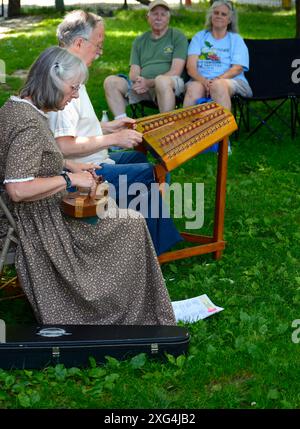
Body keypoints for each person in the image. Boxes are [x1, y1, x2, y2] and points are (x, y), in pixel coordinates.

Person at [0, 46, 176, 326]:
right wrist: (69, 180)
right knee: (130, 222)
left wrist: (70, 166)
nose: (76, 95)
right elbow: (18, 189)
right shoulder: (28, 126)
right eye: (73, 88)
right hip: (35, 221)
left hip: (35, 210)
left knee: (115, 210)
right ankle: (118, 311)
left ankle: (134, 298)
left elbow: (27, 162)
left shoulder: (17, 108)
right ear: (51, 82)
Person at [48, 10, 182, 256]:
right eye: (98, 46)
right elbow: (63, 145)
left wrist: (108, 128)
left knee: (141, 161)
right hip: (80, 172)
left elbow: (73, 129)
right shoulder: (63, 78)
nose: (100, 52)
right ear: (79, 43)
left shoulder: (69, 70)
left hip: (93, 160)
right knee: (154, 174)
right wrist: (113, 139)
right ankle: (153, 251)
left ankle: (133, 239)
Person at [103, 0, 188, 117]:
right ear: (148, 17)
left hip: (170, 85)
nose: (158, 17)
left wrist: (149, 82)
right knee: (111, 81)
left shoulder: (177, 36)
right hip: (143, 86)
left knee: (161, 81)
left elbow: (176, 71)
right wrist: (139, 82)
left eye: (163, 14)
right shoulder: (139, 41)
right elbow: (134, 71)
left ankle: (168, 127)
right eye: (154, 14)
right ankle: (122, 123)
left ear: (168, 19)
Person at [183, 0, 252, 111]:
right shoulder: (199, 37)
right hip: (200, 80)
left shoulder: (236, 39)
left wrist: (216, 80)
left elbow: (237, 68)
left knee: (218, 86)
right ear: (211, 16)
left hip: (232, 81)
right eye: (216, 13)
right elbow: (190, 68)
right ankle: (188, 127)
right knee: (194, 88)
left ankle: (223, 128)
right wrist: (204, 81)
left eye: (223, 14)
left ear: (229, 20)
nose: (219, 16)